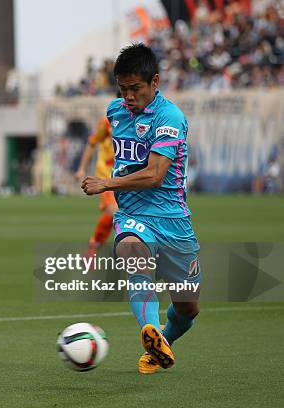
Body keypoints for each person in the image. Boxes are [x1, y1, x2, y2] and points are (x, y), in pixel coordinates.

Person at [81, 43, 200, 375]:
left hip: (173, 219)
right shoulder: (115, 111)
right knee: (135, 257)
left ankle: (162, 341)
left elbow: (155, 175)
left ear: (155, 82)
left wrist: (106, 183)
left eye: (135, 89)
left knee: (188, 308)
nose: (128, 96)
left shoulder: (170, 117)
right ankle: (150, 331)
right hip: (134, 216)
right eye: (123, 89)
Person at [75, 114, 117, 262]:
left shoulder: (140, 118)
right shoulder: (107, 121)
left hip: (126, 177)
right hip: (106, 176)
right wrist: (82, 168)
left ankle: (92, 249)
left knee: (117, 216)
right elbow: (92, 142)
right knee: (116, 214)